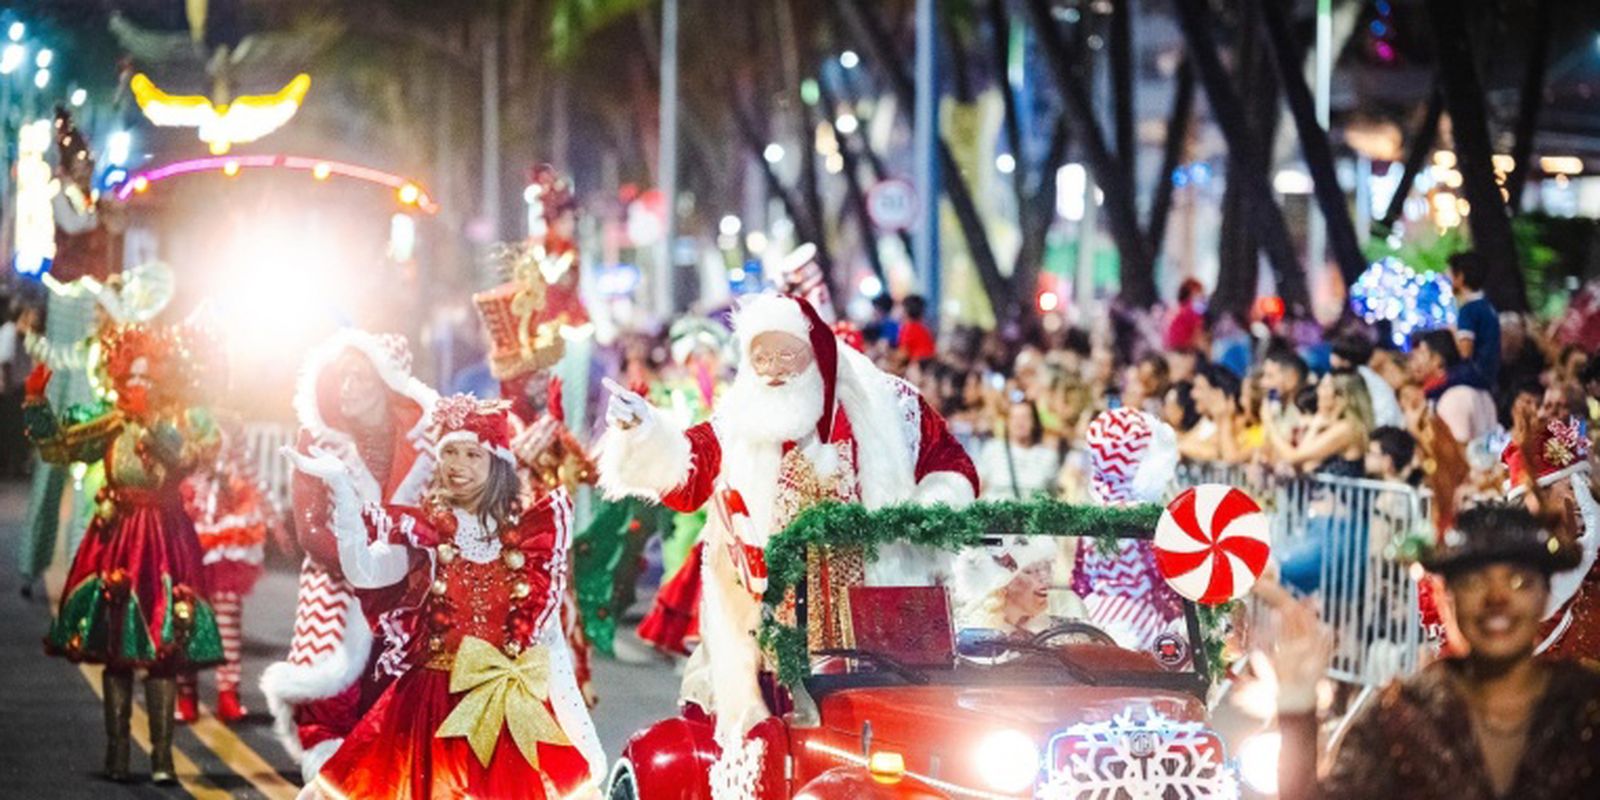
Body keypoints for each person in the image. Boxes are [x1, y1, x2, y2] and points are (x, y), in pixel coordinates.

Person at [598, 292, 978, 749]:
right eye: (761, 357)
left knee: (893, 743)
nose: (773, 369)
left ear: (814, 352)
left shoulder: (887, 406)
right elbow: (688, 471)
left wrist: (920, 518)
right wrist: (644, 432)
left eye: (785, 355)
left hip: (876, 617)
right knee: (782, 745)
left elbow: (951, 465)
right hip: (773, 629)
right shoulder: (741, 418)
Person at [290, 396, 604, 799]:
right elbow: (364, 570)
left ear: (498, 464)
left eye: (473, 454)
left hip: (507, 719)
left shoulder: (527, 545)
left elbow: (551, 651)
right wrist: (342, 493)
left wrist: (584, 740)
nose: (458, 465)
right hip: (430, 714)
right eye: (450, 452)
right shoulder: (426, 534)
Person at [1273, 504, 1600, 800]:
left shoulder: (1587, 706)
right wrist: (1296, 707)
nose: (1497, 600)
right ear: (1449, 598)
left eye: (1519, 582)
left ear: (1545, 595)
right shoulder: (1403, 716)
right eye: (1474, 582)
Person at [25, 323, 223, 783]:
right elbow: (58, 448)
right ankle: (117, 753)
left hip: (165, 541)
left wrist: (153, 424)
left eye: (148, 379)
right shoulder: (108, 420)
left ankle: (162, 758)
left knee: (163, 649)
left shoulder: (181, 420)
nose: (138, 387)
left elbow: (192, 458)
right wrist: (37, 404)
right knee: (116, 649)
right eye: (131, 379)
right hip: (116, 540)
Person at [260, 331, 439, 783]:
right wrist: (364, 566)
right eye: (341, 379)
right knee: (330, 701)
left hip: (409, 597)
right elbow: (310, 530)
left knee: (408, 707)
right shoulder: (318, 442)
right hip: (337, 590)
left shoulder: (428, 446)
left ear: (386, 384)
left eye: (359, 378)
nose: (347, 390)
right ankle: (332, 778)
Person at [177, 422, 270, 723]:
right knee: (185, 612)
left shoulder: (233, 425)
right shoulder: (178, 418)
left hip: (226, 527)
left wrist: (274, 517)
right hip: (187, 525)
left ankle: (228, 691)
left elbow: (251, 474)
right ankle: (185, 692)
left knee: (227, 611)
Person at [1072, 408, 1185, 650]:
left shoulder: (1094, 509)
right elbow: (1163, 581)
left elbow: (1080, 578)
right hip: (1141, 621)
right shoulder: (1145, 517)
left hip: (1095, 616)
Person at [1265, 372, 1374, 476]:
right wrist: (1315, 427)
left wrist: (1269, 423)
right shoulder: (1329, 425)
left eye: (1325, 387)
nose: (1319, 392)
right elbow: (1302, 463)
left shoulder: (1347, 428)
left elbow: (1293, 457)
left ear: (1341, 396)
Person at [1410, 329, 1497, 445]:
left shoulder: (1453, 397)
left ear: (1437, 360)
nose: (1413, 360)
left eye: (1420, 353)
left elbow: (1456, 451)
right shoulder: (1475, 386)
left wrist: (1415, 432)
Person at [976, 398, 1061, 499]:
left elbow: (1053, 495)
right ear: (1007, 422)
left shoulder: (1048, 456)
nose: (1020, 423)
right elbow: (979, 488)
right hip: (996, 512)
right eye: (1015, 417)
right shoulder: (992, 450)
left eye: (1025, 418)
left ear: (1034, 422)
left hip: (1032, 512)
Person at [1330, 333, 1403, 428]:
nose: (1331, 357)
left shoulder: (1356, 379)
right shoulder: (1367, 374)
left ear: (1345, 361)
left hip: (1383, 429)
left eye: (1334, 354)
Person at [1450, 251, 1500, 387]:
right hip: (1491, 379)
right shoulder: (1487, 306)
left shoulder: (1468, 310)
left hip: (1475, 379)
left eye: (1451, 275)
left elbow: (1465, 353)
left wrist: (1451, 333)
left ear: (1460, 277)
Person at [1260, 347, 1309, 444]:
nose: (1263, 383)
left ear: (1292, 378)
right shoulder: (1276, 410)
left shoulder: (1303, 414)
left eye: (1270, 376)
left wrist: (1268, 422)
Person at [1164, 277, 1207, 351]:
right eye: (1199, 292)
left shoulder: (1174, 309)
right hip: (1184, 351)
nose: (1202, 296)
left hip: (1170, 350)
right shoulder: (1191, 310)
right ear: (1192, 293)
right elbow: (1197, 335)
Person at [897, 294, 937, 363]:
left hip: (918, 366)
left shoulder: (909, 328)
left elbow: (902, 356)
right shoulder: (921, 327)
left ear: (906, 310)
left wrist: (887, 354)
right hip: (925, 365)